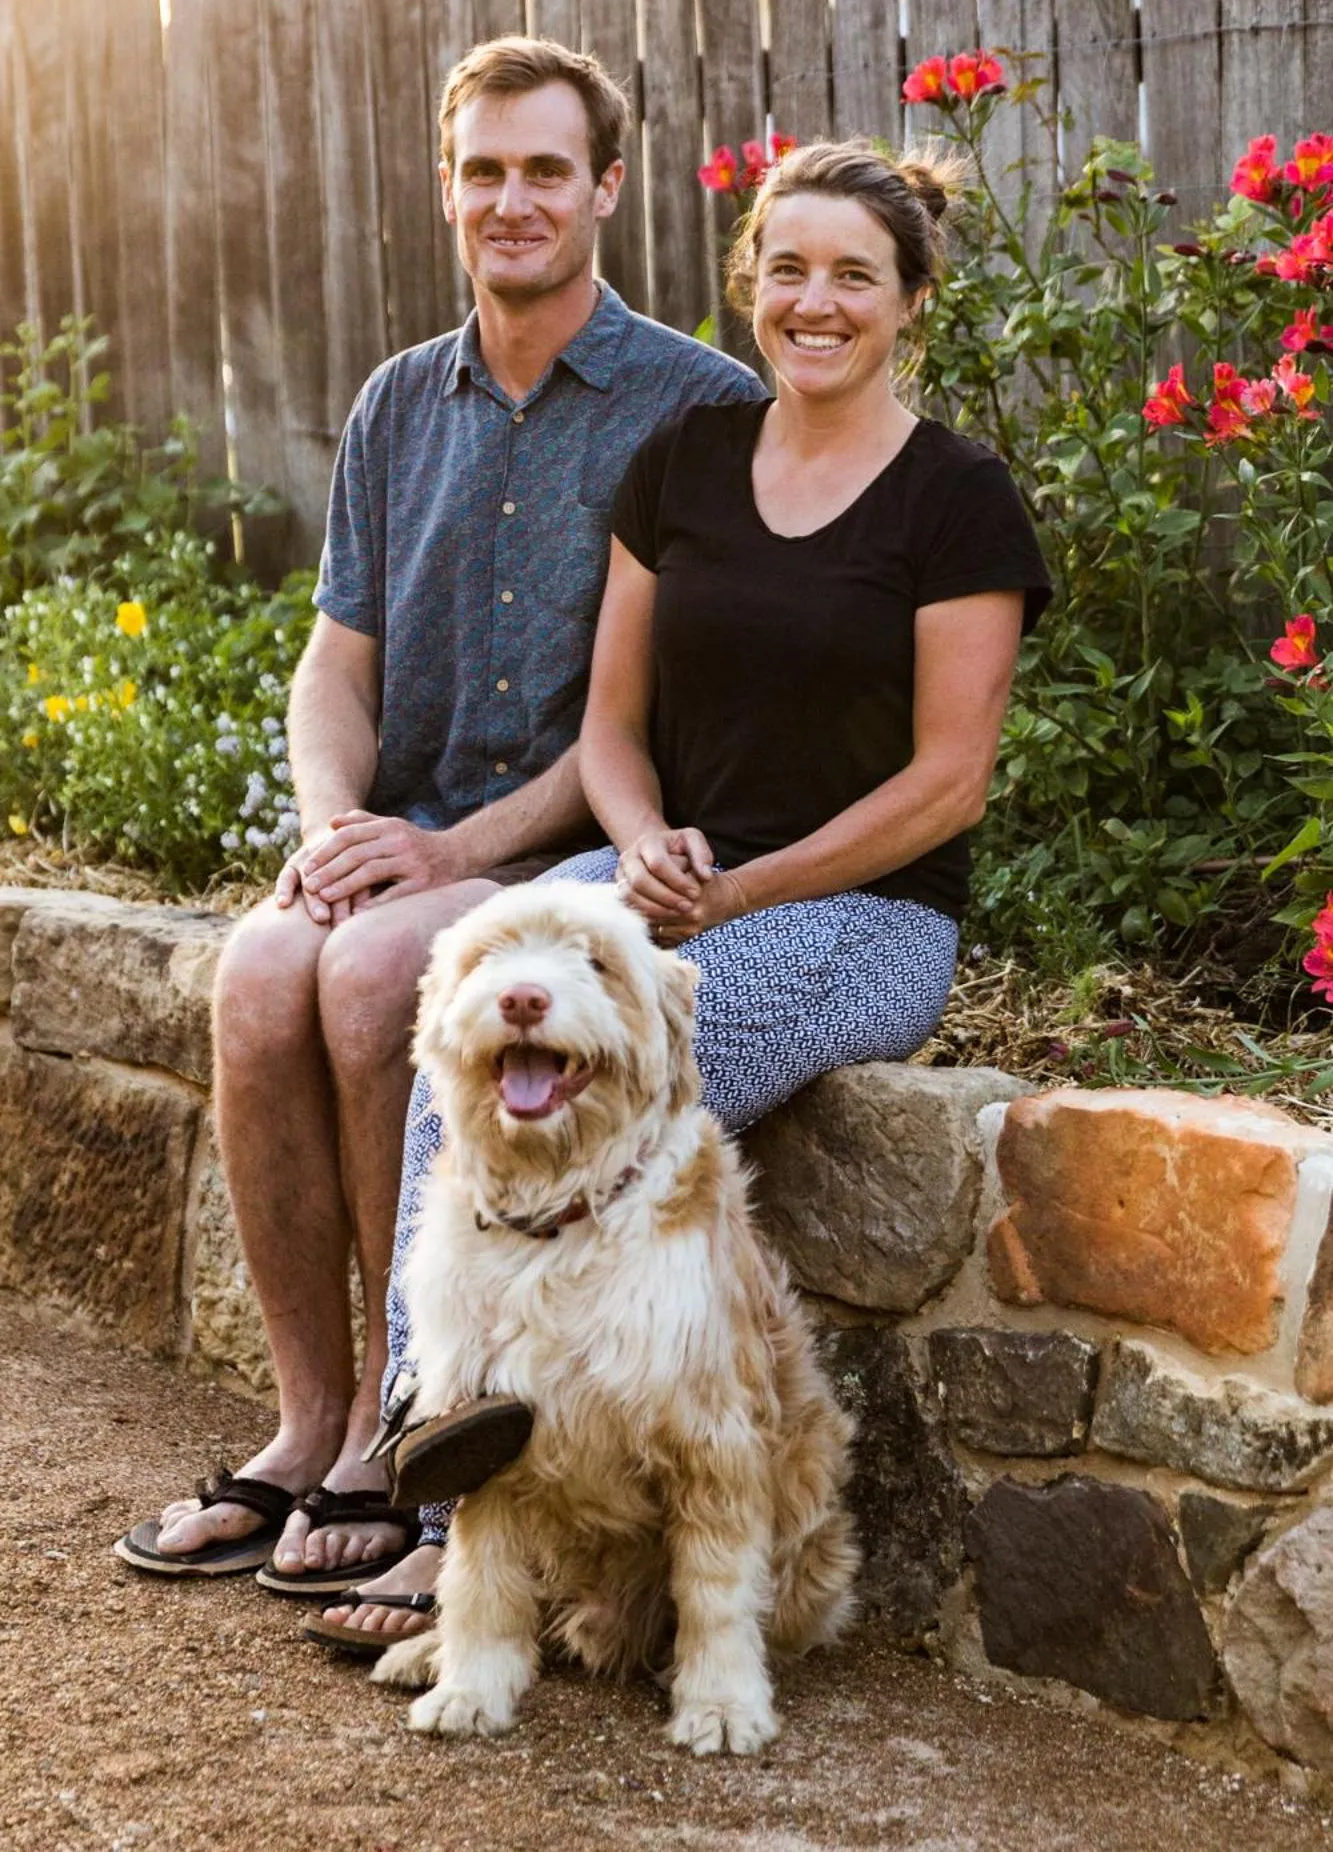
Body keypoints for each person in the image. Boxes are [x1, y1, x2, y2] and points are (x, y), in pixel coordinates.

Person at [323, 138, 1051, 1653]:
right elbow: (611, 724)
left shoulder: (959, 498)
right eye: (787, 268)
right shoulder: (690, 460)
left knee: (643, 1080)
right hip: (666, 877)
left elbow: (947, 783)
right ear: (751, 286)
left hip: (861, 913)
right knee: (467, 1038)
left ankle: (508, 1518)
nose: (816, 300)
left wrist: (746, 889)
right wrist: (642, 837)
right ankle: (441, 1440)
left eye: (854, 273)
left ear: (909, 298)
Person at [113, 36, 764, 1591]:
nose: (513, 200)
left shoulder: (699, 406)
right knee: (261, 967)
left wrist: (451, 854)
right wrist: (339, 821)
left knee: (361, 976)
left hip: (565, 841)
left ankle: (408, 1430)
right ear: (446, 190)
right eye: (485, 171)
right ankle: (306, 1421)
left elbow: (651, 717)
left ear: (607, 187)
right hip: (403, 839)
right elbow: (333, 666)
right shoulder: (401, 399)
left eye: (548, 169)